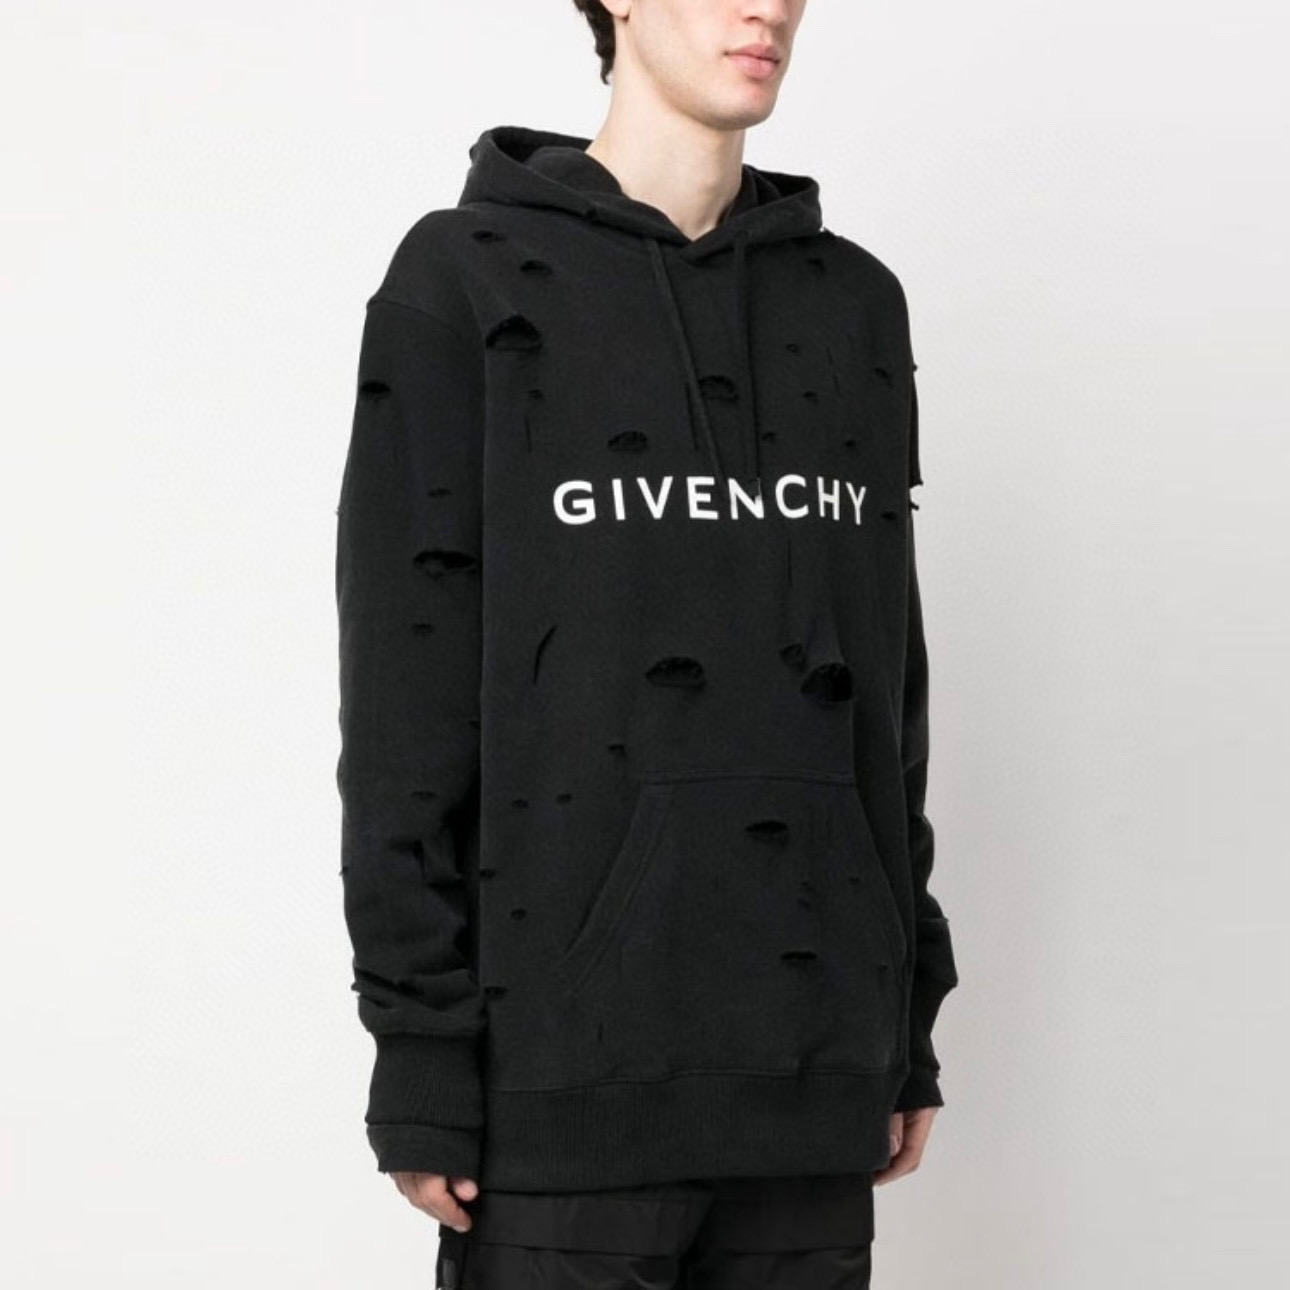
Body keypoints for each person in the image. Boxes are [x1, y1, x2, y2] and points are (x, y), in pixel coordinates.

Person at [333, 1, 959, 1285]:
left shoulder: (854, 304)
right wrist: (421, 1046)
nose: (767, 8)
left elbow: (884, 687)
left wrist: (905, 1019)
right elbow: (405, 690)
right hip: (561, 1089)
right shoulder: (466, 278)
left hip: (814, 1077)